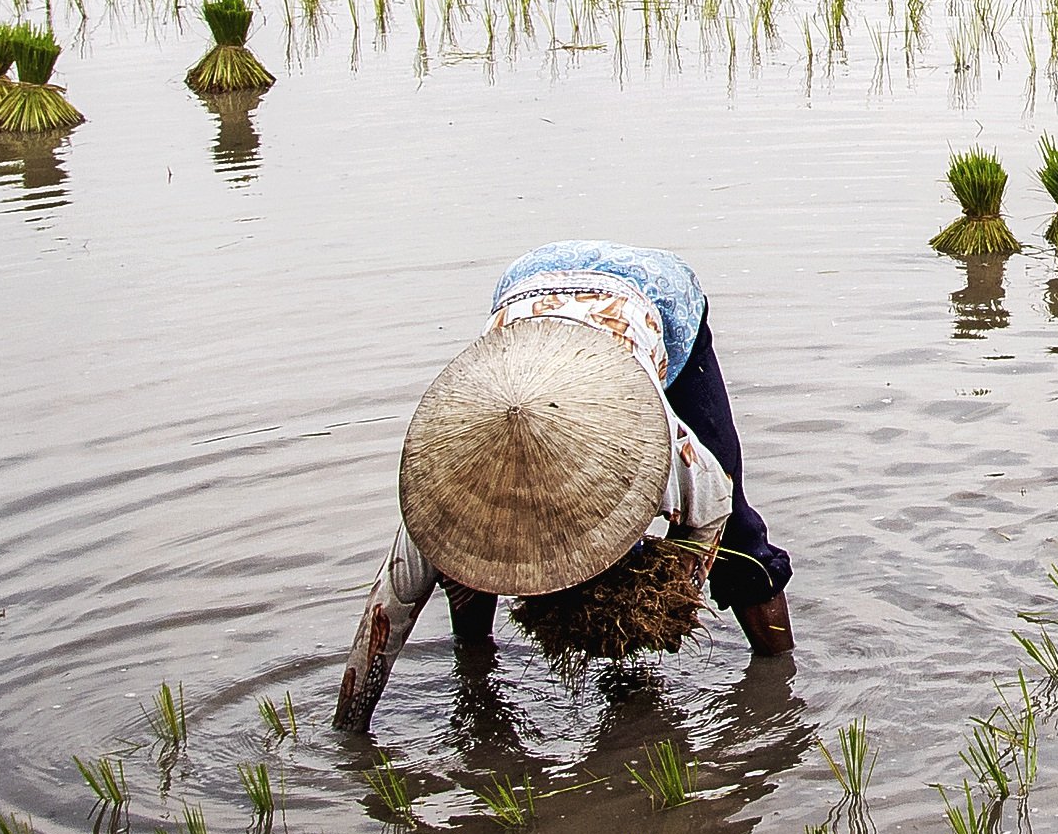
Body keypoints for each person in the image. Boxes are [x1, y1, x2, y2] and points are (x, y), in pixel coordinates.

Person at [336, 241, 794, 729]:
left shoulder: (655, 440)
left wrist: (669, 598)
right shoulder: (443, 495)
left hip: (655, 293)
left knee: (741, 543)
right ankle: (475, 671)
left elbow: (714, 507)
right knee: (464, 564)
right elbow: (384, 621)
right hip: (527, 291)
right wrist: (351, 728)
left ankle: (781, 684)